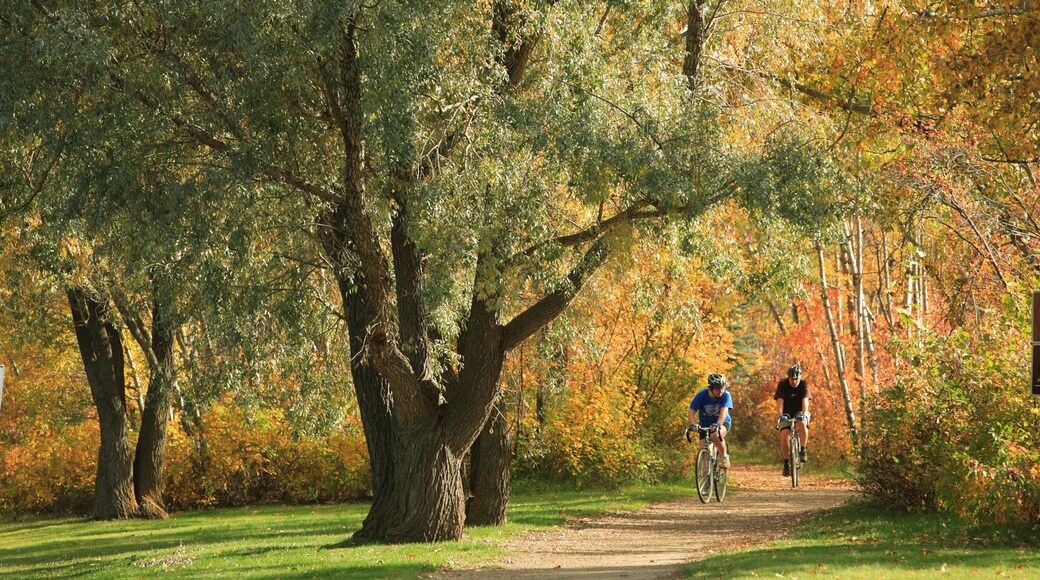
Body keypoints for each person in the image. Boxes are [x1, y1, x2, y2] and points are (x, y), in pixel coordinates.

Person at [687, 373, 733, 469]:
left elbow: (724, 412)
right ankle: (706, 476)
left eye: (722, 388)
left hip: (722, 422)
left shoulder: (726, 395)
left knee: (715, 435)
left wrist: (718, 424)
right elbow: (691, 411)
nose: (721, 391)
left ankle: (724, 456)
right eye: (717, 388)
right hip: (705, 424)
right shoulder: (701, 395)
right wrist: (693, 425)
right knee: (703, 447)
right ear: (711, 388)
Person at [775, 364, 810, 477]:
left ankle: (803, 450)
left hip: (800, 411)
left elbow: (805, 401)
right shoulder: (783, 384)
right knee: (784, 434)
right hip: (786, 412)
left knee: (802, 423)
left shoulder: (804, 384)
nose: (794, 381)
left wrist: (804, 415)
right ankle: (786, 463)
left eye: (797, 379)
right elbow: (780, 401)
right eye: (792, 379)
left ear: (800, 378)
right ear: (788, 378)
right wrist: (780, 415)